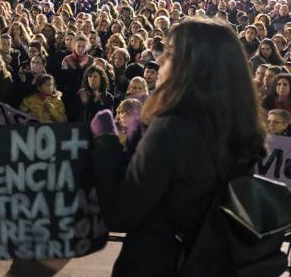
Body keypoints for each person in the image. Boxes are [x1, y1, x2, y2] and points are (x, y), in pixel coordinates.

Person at [90, 18, 266, 277]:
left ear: (192, 66)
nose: (160, 61)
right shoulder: (241, 127)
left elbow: (121, 212)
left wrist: (105, 141)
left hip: (159, 263)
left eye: (171, 53)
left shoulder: (172, 128)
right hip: (210, 263)